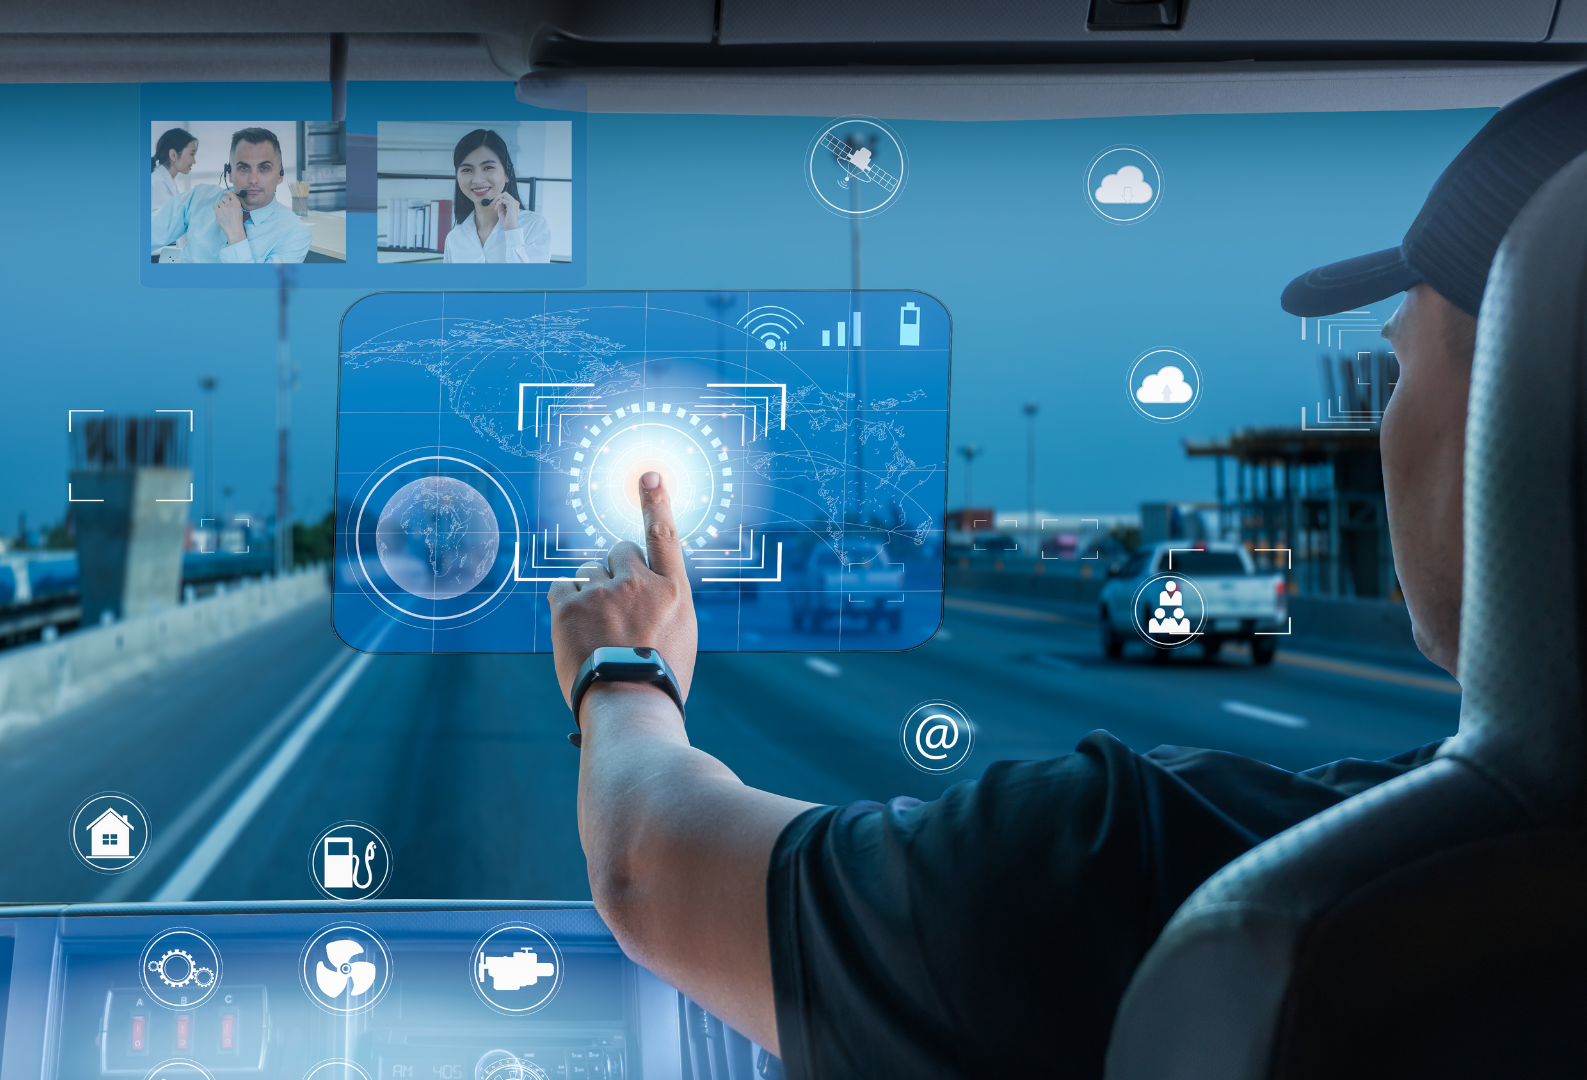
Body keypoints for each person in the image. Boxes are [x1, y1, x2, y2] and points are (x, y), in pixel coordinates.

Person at [547, 69, 1587, 1077]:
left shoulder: (1171, 877)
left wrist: (627, 672)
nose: (1379, 428)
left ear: (1521, 402)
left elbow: (653, 868)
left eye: (1396, 365)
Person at [150, 127, 311, 264]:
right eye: (243, 168)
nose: (253, 179)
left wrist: (236, 235)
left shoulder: (294, 233)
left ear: (280, 174)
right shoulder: (198, 198)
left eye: (264, 168)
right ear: (230, 174)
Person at [443, 129, 551, 263]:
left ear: (507, 174)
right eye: (466, 170)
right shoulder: (454, 238)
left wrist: (512, 232)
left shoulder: (535, 225)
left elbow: (531, 283)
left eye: (488, 167)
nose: (477, 179)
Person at [150, 127, 197, 212]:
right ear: (173, 154)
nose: (194, 161)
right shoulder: (158, 183)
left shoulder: (165, 181)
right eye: (191, 154)